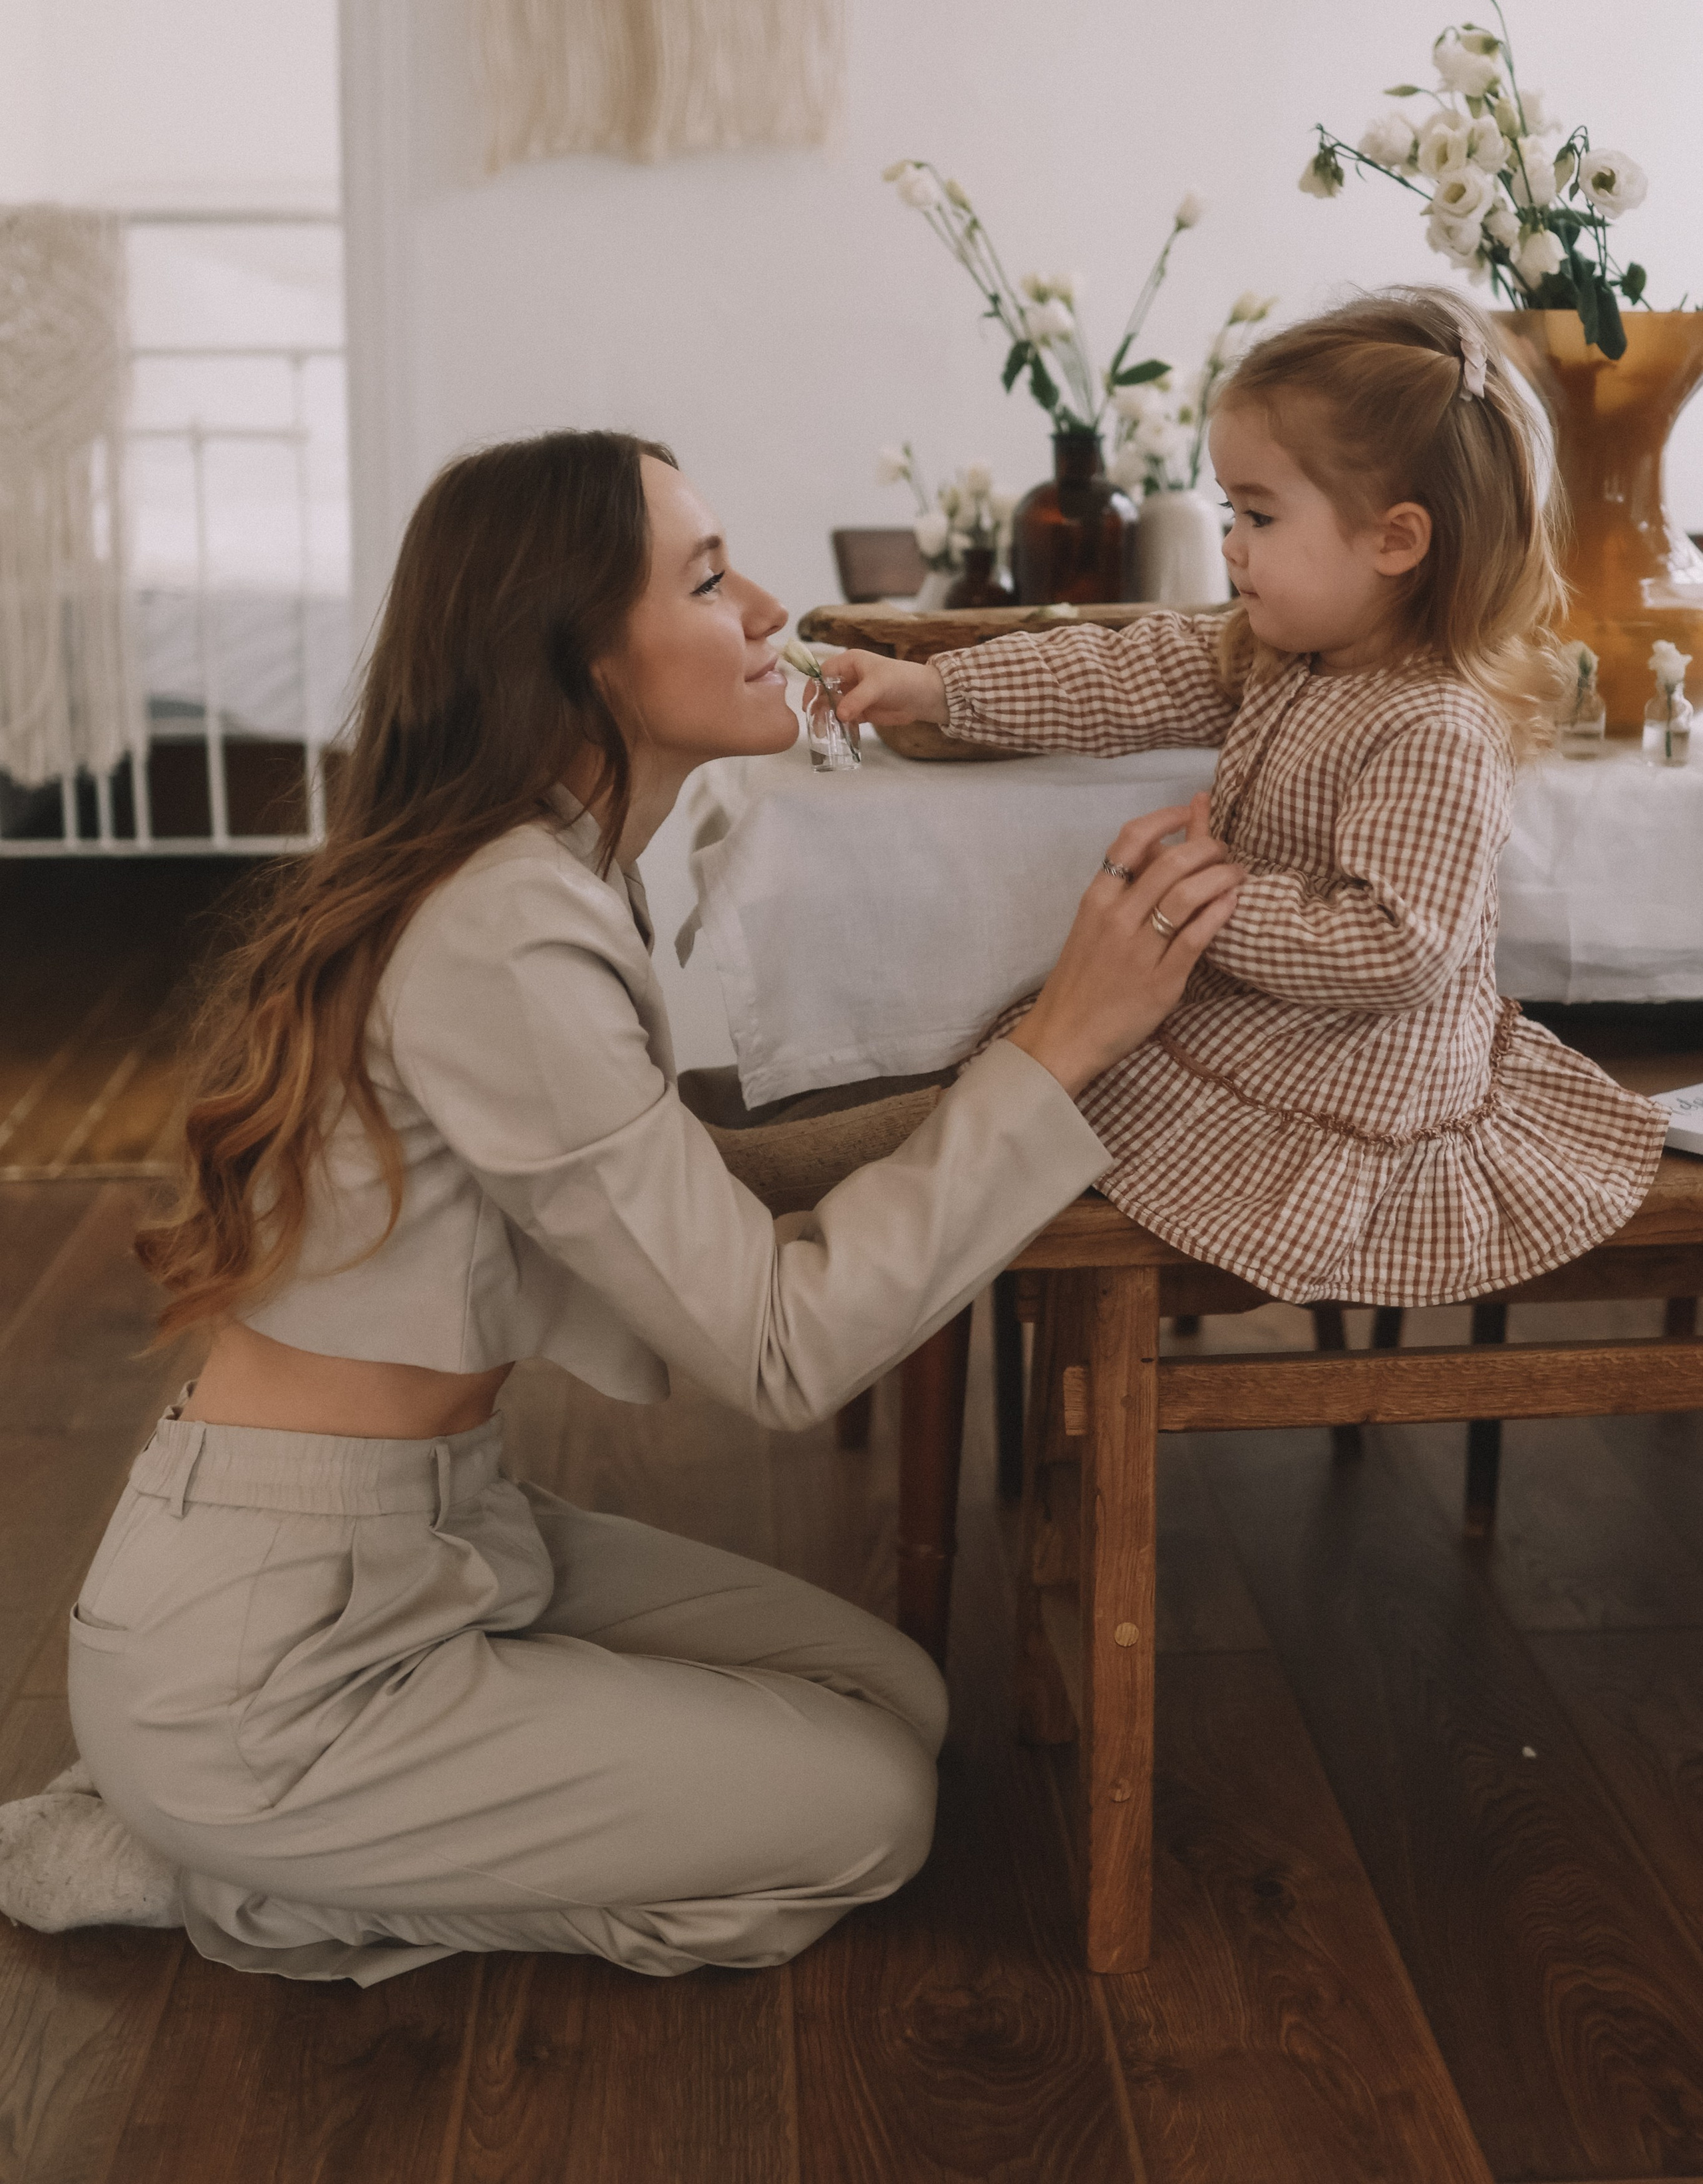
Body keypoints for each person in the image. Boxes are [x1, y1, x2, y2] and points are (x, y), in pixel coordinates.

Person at [0, 430, 1241, 1983]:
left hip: (434, 1532)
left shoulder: (541, 868)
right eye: (711, 578)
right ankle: (211, 1863)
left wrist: (988, 1088)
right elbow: (780, 1349)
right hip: (278, 1655)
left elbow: (666, 1176)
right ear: (579, 654)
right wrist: (1058, 1046)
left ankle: (307, 1814)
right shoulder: (501, 929)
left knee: (900, 1702)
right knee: (871, 1811)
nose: (770, 606)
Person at [832, 289, 1666, 1308]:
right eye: (1232, 510)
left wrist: (1202, 902)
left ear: (1396, 540)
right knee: (1048, 1063)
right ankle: (863, 1155)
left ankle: (861, 1167)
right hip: (1267, 1019)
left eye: (1259, 515)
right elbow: (1119, 675)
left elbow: (1395, 945)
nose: (1231, 543)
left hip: (1351, 1063)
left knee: (1072, 1076)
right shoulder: (1283, 652)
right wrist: (936, 689)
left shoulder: (1436, 725)